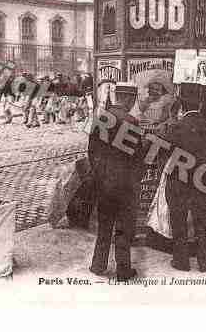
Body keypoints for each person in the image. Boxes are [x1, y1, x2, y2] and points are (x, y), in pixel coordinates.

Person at [88, 84, 145, 282]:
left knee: (104, 225)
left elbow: (91, 153)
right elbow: (139, 157)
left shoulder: (101, 119)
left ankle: (98, 265)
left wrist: (100, 175)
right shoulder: (132, 122)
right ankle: (123, 270)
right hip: (125, 185)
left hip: (104, 183)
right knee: (123, 228)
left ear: (117, 96)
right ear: (130, 99)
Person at [163, 91, 206, 272]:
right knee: (201, 220)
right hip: (201, 180)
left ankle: (181, 261)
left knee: (178, 220)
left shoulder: (175, 128)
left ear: (182, 107)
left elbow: (164, 152)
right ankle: (205, 261)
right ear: (200, 106)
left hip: (178, 180)